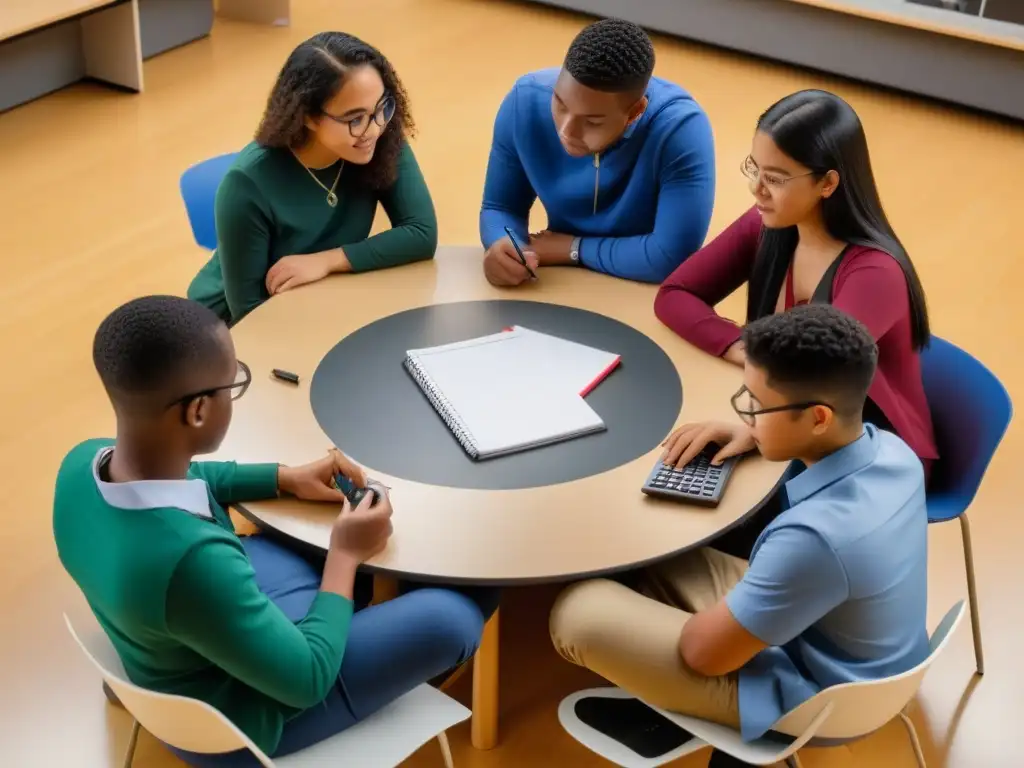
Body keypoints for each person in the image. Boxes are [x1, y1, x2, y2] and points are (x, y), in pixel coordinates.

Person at [54, 296, 495, 767]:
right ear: (198, 411)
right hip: (237, 724)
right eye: (233, 384)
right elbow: (307, 678)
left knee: (321, 548)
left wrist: (284, 477)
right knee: (457, 614)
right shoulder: (189, 563)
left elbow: (189, 478)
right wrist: (344, 555)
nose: (234, 393)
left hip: (175, 645)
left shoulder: (82, 463)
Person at [550, 305, 929, 757]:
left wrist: (710, 624)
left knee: (577, 610)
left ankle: (693, 707)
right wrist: (762, 434)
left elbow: (702, 655)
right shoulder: (892, 452)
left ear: (818, 418)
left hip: (821, 698)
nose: (746, 415)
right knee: (656, 556)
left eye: (757, 405)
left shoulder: (816, 540)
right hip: (850, 644)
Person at [654, 89, 937, 476]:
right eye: (755, 169)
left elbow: (817, 382)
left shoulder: (875, 274)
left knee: (713, 495)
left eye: (775, 178)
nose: (757, 189)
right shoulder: (768, 223)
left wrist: (750, 430)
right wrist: (742, 348)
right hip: (788, 422)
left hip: (871, 455)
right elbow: (675, 295)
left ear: (827, 183)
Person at [187, 31, 437, 325]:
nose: (373, 129)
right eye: (354, 119)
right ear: (307, 115)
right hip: (226, 328)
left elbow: (422, 233)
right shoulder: (246, 184)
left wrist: (327, 261)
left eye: (381, 107)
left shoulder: (378, 135)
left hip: (318, 299)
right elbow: (249, 312)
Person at [479, 18, 715, 287]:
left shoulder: (681, 130)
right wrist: (506, 245)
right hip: (563, 280)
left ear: (635, 112)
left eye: (592, 122)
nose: (567, 131)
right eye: (559, 103)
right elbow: (500, 207)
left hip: (638, 288)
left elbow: (670, 257)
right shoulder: (524, 101)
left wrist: (572, 248)